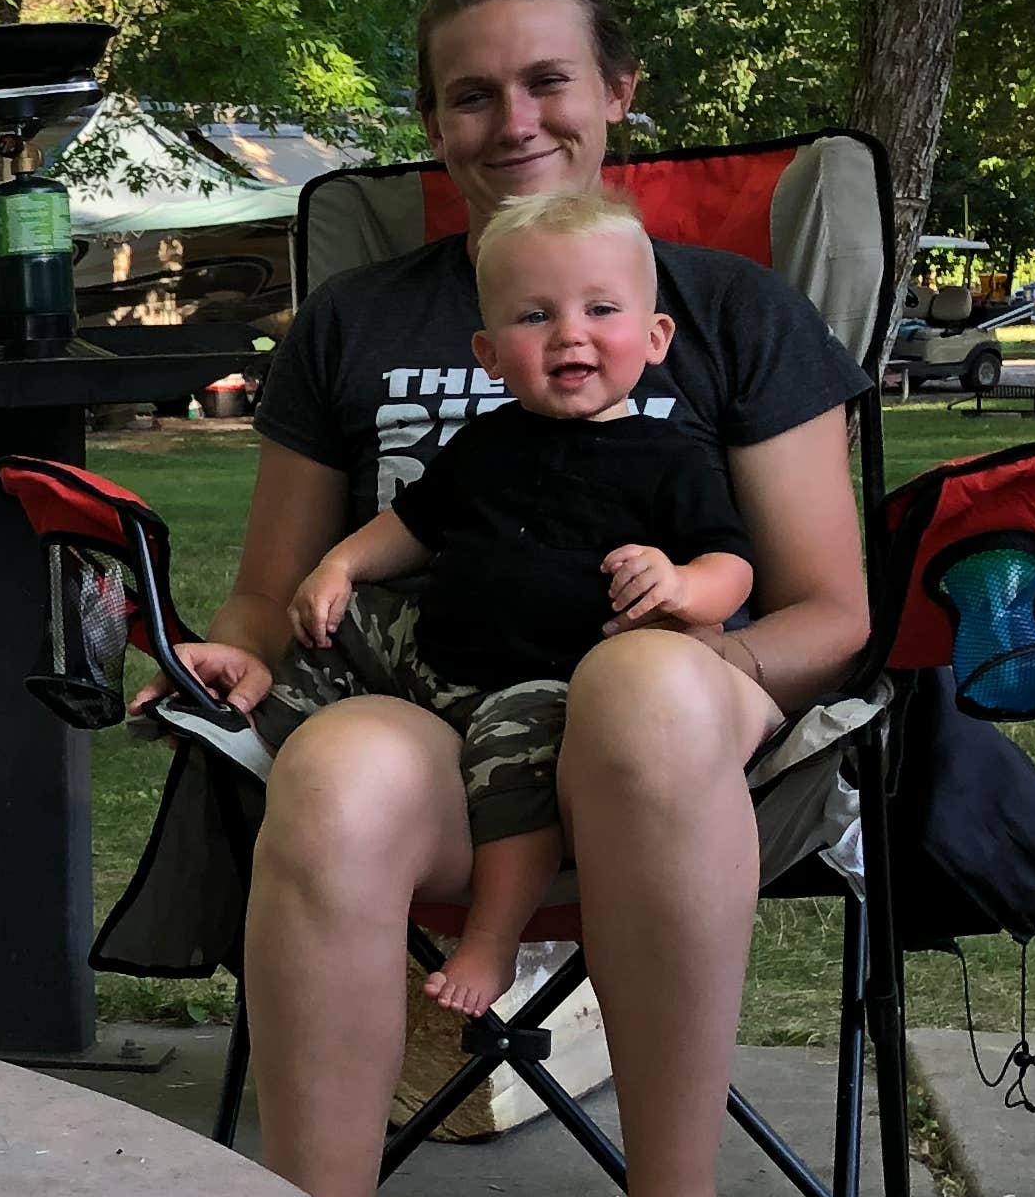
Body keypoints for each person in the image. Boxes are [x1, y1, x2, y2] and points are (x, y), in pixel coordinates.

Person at [170, 0, 870, 1197]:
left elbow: (830, 609)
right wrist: (234, 654)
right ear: (434, 123)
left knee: (636, 696)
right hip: (443, 714)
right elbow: (274, 587)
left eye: (548, 79)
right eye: (470, 93)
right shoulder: (358, 321)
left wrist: (684, 674)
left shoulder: (730, 313)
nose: (513, 119)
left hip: (682, 753)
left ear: (617, 92)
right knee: (342, 779)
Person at [188, 189, 759, 1020]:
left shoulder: (667, 458)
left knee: (513, 757)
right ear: (491, 354)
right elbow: (414, 526)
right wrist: (341, 564)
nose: (569, 333)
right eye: (535, 317)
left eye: (602, 309)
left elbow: (732, 568)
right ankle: (233, 712)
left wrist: (679, 585)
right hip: (433, 652)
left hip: (549, 687)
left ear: (657, 337)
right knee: (340, 624)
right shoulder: (484, 440)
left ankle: (492, 940)